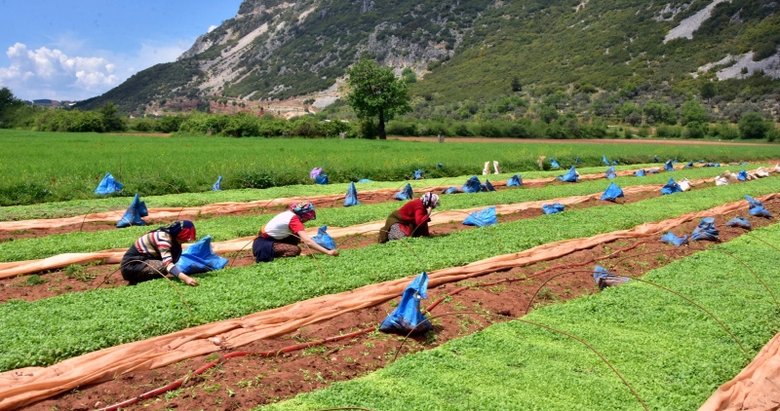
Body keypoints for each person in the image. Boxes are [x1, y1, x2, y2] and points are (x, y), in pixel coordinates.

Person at [253, 202, 339, 262]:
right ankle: (275, 256)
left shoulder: (288, 214)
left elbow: (302, 239)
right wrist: (328, 252)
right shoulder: (294, 220)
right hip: (264, 246)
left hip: (261, 241)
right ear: (304, 215)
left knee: (295, 237)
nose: (307, 220)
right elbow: (307, 242)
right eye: (308, 217)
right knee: (295, 250)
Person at [120, 220, 199, 286]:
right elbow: (167, 264)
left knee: (172, 258)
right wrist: (186, 279)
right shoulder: (163, 238)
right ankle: (137, 281)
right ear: (178, 235)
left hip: (143, 261)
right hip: (131, 266)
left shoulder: (170, 235)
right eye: (184, 239)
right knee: (163, 266)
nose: (185, 241)